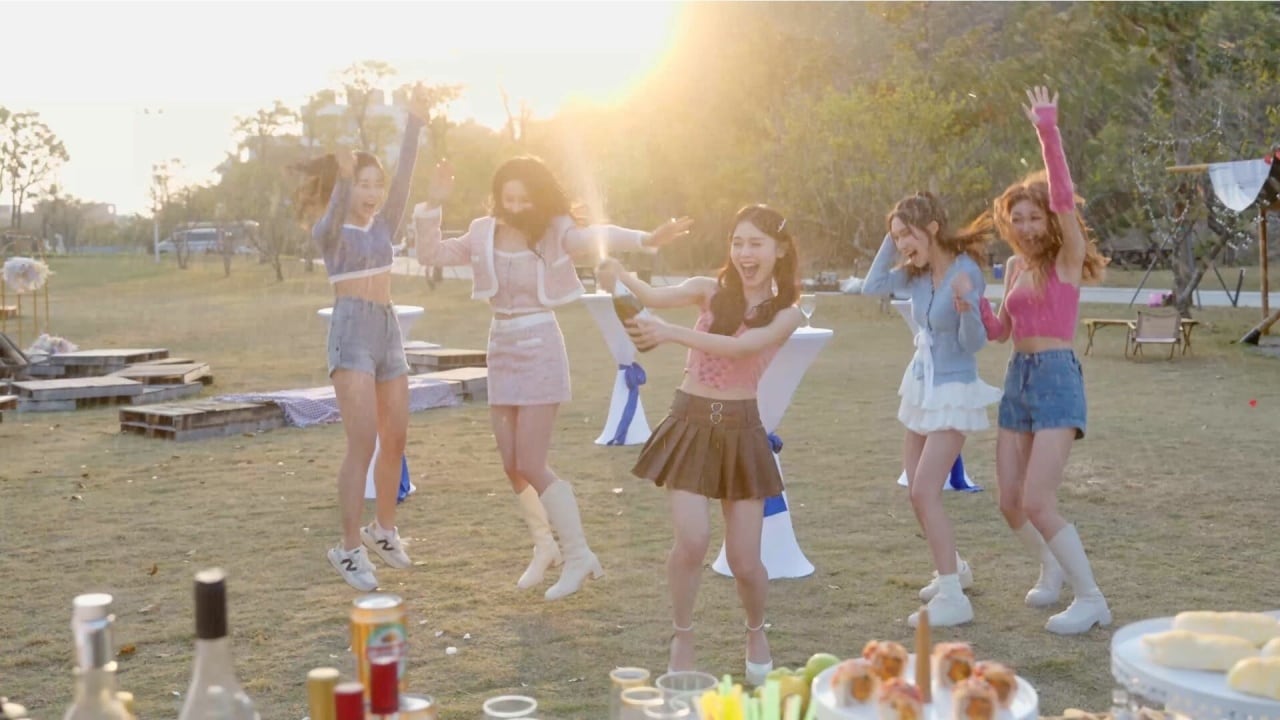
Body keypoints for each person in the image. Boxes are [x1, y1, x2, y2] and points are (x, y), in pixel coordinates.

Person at [413, 156, 692, 601]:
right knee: (511, 464)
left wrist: (646, 239)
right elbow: (431, 254)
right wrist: (432, 205)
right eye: (509, 198)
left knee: (530, 462)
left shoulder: (555, 232)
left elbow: (597, 234)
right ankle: (545, 546)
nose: (516, 207)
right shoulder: (483, 231)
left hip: (539, 346)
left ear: (538, 198)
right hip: (501, 347)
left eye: (525, 199)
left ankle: (579, 554)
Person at [604, 204, 802, 684]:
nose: (744, 253)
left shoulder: (788, 314)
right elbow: (650, 294)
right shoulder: (707, 290)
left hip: (741, 431)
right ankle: (683, 635)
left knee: (744, 561)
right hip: (690, 423)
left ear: (779, 250)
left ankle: (756, 631)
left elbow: (742, 348)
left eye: (756, 244)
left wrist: (670, 333)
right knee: (691, 541)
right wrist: (618, 273)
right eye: (737, 242)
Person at [975, 87, 1111, 634]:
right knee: (1010, 502)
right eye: (1018, 219)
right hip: (1018, 378)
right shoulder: (1013, 268)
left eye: (1034, 217)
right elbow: (999, 332)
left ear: (1049, 220)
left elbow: (1063, 197)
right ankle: (1050, 566)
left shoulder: (1067, 260)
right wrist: (974, 306)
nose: (1028, 227)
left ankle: (1092, 599)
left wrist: (1046, 131)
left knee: (1038, 499)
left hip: (1056, 378)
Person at [294, 85, 433, 591]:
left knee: (396, 436)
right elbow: (332, 214)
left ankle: (383, 530)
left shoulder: (384, 227)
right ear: (346, 188)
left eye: (377, 184)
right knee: (363, 442)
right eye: (362, 184)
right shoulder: (329, 231)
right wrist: (342, 176)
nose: (372, 193)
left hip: (387, 329)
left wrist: (415, 122)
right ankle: (348, 548)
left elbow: (405, 179)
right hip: (351, 330)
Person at [861, 191, 1001, 628]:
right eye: (897, 236)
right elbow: (872, 286)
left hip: (953, 390)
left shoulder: (965, 272)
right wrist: (893, 238)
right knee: (915, 494)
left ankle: (954, 598)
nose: (903, 243)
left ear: (934, 228)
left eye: (908, 233)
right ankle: (953, 568)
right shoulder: (915, 275)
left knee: (925, 492)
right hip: (921, 386)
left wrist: (967, 308)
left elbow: (973, 343)